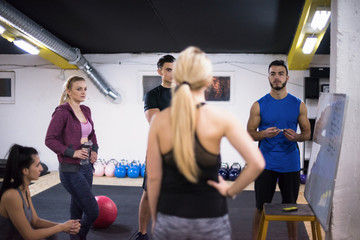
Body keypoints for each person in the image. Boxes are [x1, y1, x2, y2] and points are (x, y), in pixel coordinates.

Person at [146, 46, 265, 240]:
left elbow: (153, 178)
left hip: (170, 219)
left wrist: (156, 218)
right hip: (211, 218)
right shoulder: (222, 118)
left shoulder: (159, 120)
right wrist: (230, 190)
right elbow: (257, 164)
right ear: (209, 80)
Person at [247, 60, 311, 240]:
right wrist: (264, 134)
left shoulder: (298, 105)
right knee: (261, 207)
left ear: (287, 77)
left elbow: (307, 133)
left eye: (280, 74)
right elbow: (250, 134)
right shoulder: (258, 105)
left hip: (290, 163)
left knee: (290, 207)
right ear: (268, 77)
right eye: (273, 74)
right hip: (265, 163)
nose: (277, 78)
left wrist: (297, 137)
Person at [45, 76, 99, 240]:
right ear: (68, 91)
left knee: (77, 210)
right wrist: (72, 152)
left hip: (86, 167)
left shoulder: (86, 110)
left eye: (85, 89)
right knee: (92, 210)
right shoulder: (62, 113)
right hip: (70, 170)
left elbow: (91, 134)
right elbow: (50, 140)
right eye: (78, 88)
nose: (83, 92)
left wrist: (95, 150)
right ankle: (80, 237)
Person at [0, 144, 81, 239]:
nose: (41, 169)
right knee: (53, 232)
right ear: (25, 170)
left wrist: (63, 226)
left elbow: (35, 222)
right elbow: (29, 236)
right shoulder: (12, 196)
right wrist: (61, 227)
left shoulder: (25, 190)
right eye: (37, 165)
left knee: (52, 234)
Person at [136, 54, 176, 240]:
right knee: (149, 193)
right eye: (168, 69)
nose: (173, 73)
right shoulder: (152, 95)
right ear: (160, 71)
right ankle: (142, 233)